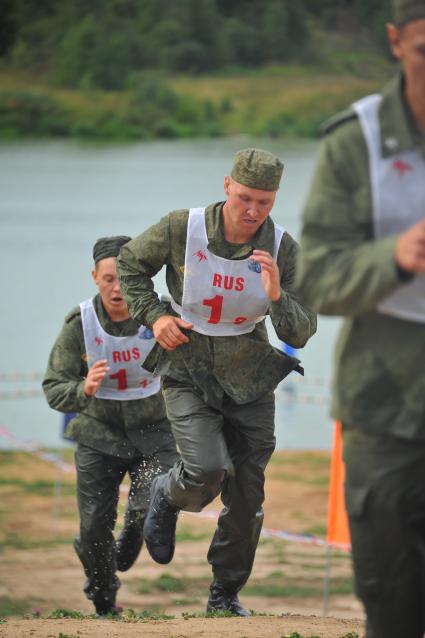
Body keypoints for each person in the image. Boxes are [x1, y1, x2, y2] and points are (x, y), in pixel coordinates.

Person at [116, 148, 317, 615]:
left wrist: (276, 295)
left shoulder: (284, 249)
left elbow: (301, 332)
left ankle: (224, 595)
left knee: (248, 493)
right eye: (245, 197)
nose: (252, 211)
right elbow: (129, 264)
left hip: (250, 378)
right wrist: (155, 315)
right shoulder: (179, 227)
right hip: (186, 368)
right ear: (227, 186)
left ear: (275, 199)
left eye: (264, 202)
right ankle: (166, 496)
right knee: (206, 470)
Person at [295, 1, 425, 636]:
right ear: (396, 41)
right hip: (388, 407)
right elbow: (314, 277)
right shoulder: (357, 143)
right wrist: (393, 258)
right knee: (397, 606)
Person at [42, 236, 178, 617]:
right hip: (99, 435)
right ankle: (104, 600)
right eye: (107, 280)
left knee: (144, 506)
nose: (117, 289)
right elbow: (54, 387)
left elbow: (197, 363)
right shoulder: (79, 323)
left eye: (123, 278)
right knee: (93, 528)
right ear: (94, 277)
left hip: (155, 433)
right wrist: (83, 389)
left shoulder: (160, 315)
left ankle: (133, 538)